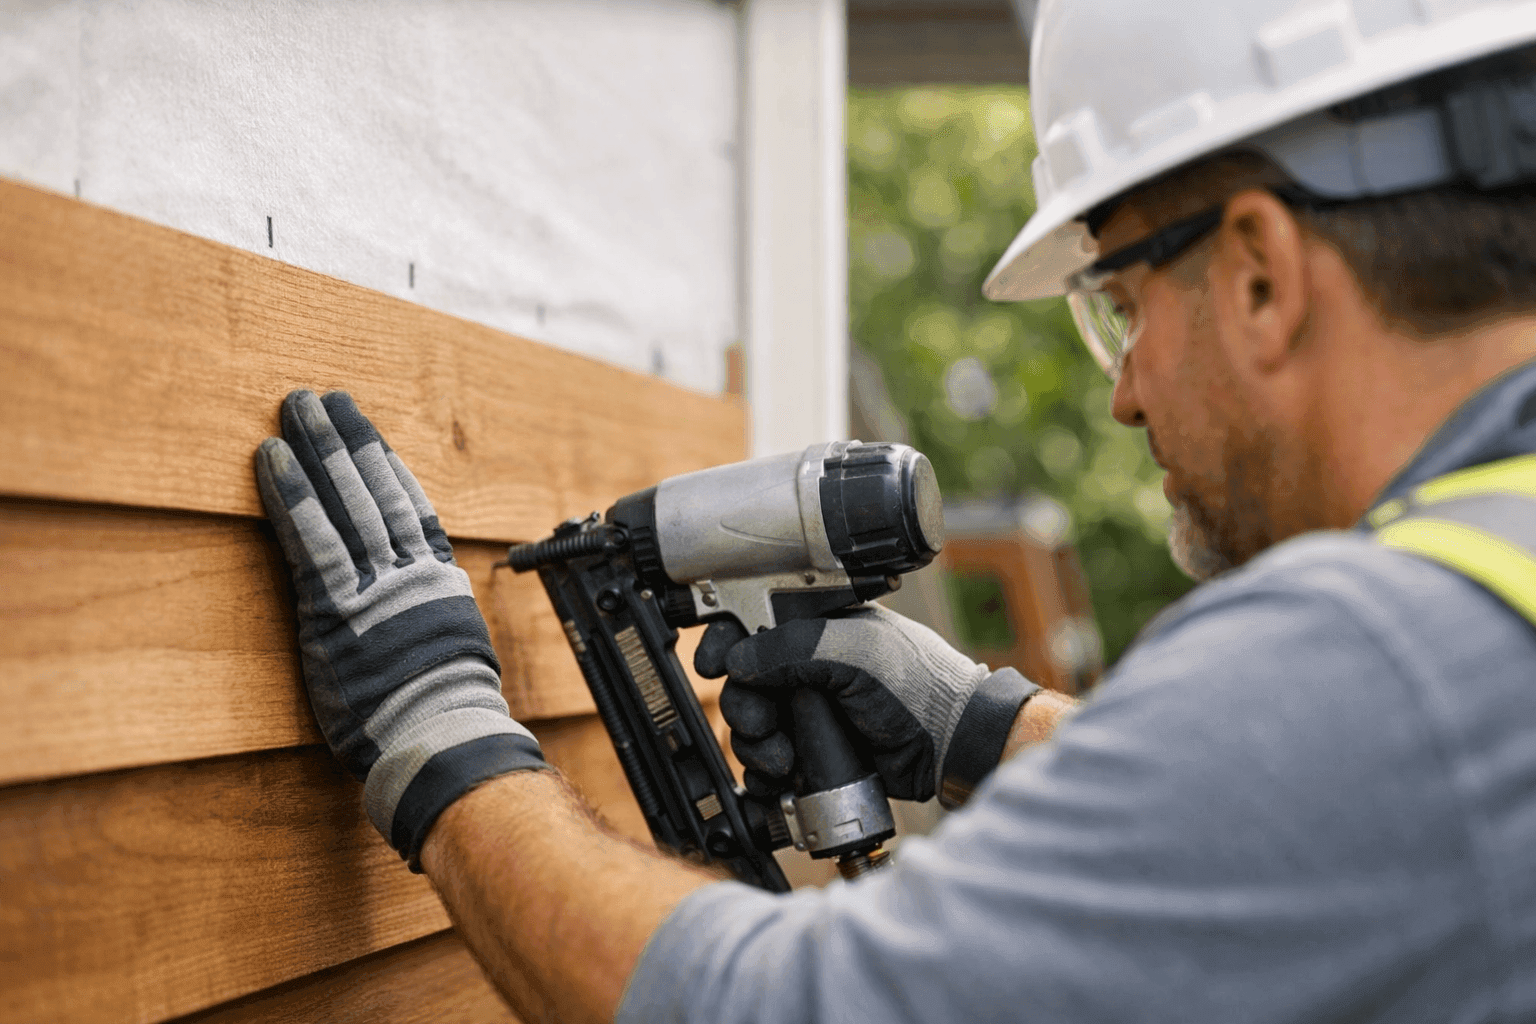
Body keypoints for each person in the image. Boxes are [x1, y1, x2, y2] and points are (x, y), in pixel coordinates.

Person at [254, 2, 1536, 1021]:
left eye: (1122, 306)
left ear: (1259, 274)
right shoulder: (1478, 616)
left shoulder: (1382, 660)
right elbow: (1320, 837)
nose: (1127, 397)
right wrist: (983, 723)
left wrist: (449, 749)